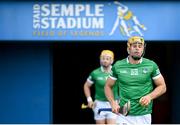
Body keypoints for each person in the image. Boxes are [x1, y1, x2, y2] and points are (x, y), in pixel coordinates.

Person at [104, 36, 166, 125]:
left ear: (143, 49)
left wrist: (149, 97)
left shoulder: (151, 65)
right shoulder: (118, 66)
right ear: (128, 49)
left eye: (140, 46)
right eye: (134, 46)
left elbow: (162, 86)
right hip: (124, 114)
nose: (137, 48)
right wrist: (113, 103)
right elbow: (107, 86)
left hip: (144, 114)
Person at [83, 50, 119, 124]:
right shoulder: (95, 73)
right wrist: (89, 100)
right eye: (103, 58)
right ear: (100, 59)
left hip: (113, 103)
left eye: (107, 58)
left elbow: (124, 86)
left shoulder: (117, 72)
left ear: (112, 60)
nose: (105, 60)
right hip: (99, 103)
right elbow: (86, 86)